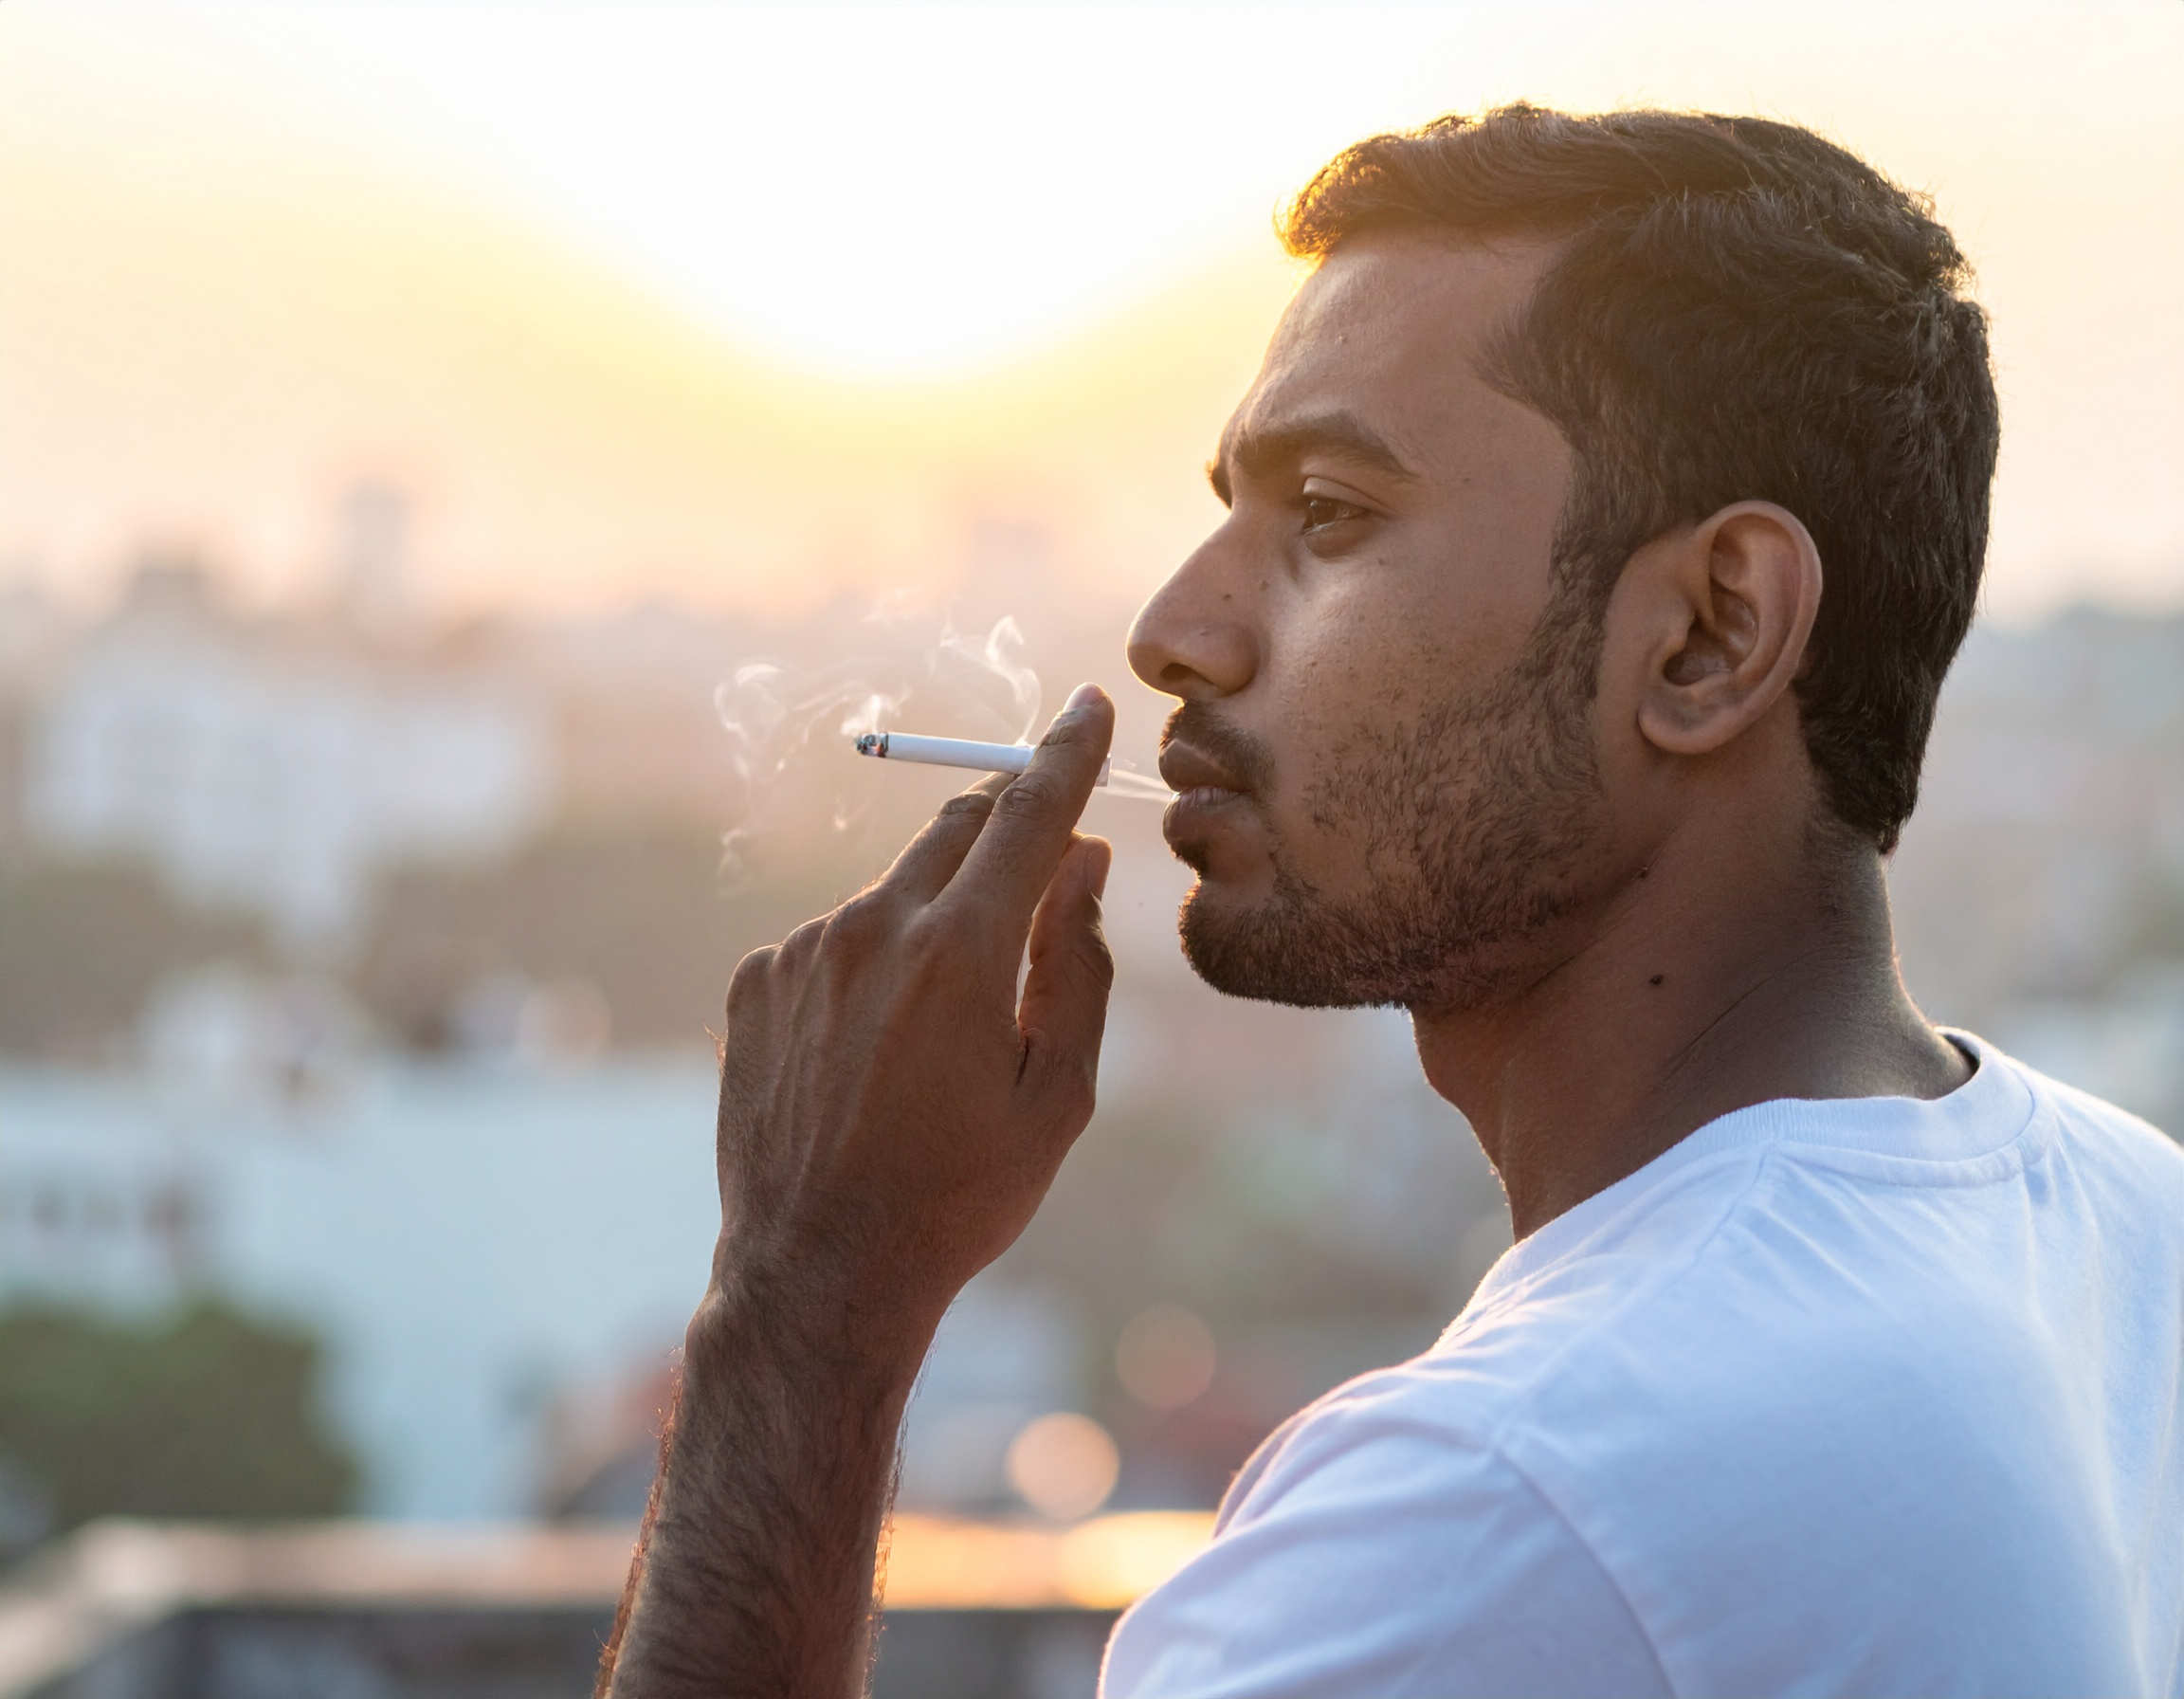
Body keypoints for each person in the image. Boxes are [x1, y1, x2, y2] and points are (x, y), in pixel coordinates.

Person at [595, 106, 2184, 1698]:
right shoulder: (2135, 1225)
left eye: (1332, 515)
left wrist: (800, 1322)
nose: (1173, 631)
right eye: (1228, 510)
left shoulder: (1510, 1501)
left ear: (1709, 635)